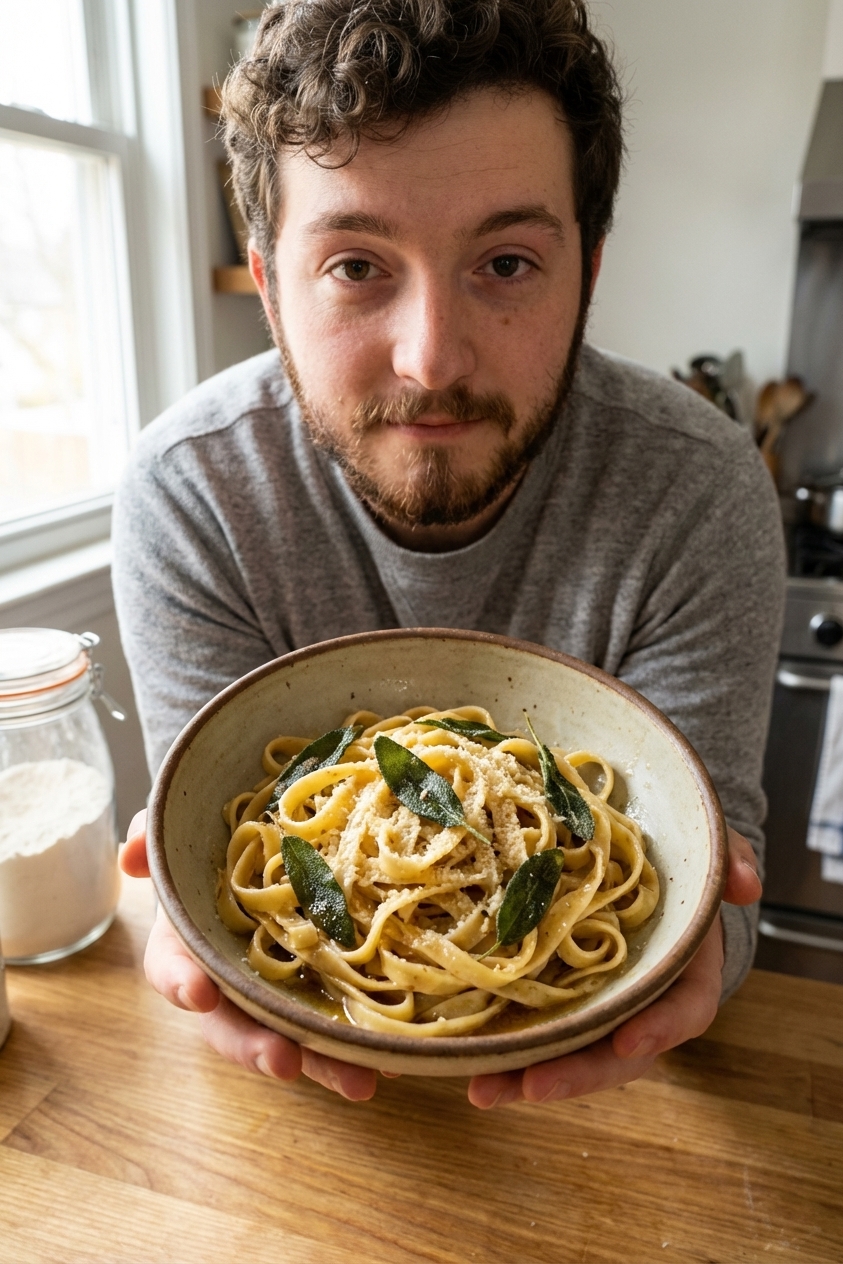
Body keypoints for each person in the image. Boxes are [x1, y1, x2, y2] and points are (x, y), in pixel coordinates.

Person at [114, 0, 784, 1109]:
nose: (431, 359)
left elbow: (712, 881)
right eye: (355, 266)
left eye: (507, 262)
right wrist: (206, 936)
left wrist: (710, 942)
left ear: (589, 273)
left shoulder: (700, 488)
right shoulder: (191, 492)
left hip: (636, 1113)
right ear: (269, 285)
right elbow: (216, 887)